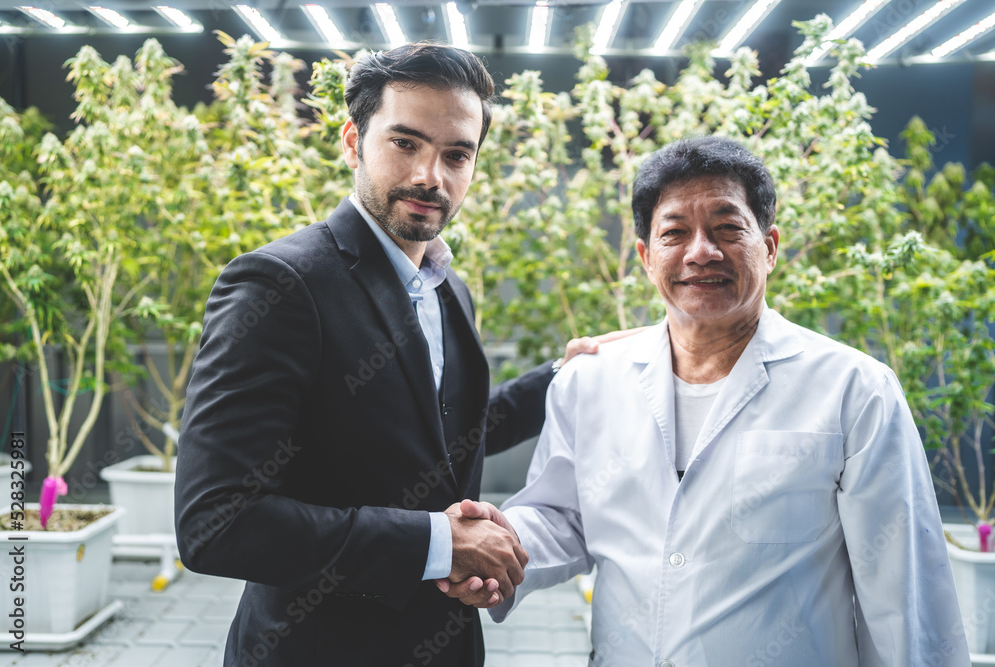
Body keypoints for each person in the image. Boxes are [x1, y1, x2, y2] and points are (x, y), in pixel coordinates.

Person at [440, 137, 971, 666]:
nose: (701, 251)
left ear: (770, 246)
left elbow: (903, 593)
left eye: (727, 228)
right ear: (648, 258)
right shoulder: (590, 383)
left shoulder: (854, 390)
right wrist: (498, 546)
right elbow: (562, 518)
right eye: (675, 232)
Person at [174, 42, 615, 667]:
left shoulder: (444, 285)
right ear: (354, 141)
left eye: (456, 154)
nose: (430, 176)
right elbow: (216, 523)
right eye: (405, 143)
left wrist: (568, 373)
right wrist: (441, 543)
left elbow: (439, 436)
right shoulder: (280, 284)